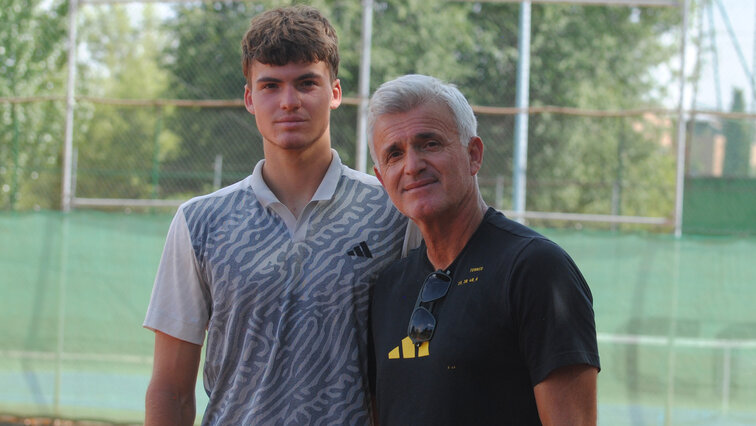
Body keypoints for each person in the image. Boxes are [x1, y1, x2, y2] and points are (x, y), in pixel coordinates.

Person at [143, 6, 416, 425]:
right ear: (250, 98)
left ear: (336, 92)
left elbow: (420, 367)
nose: (289, 102)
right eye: (271, 85)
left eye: (307, 82)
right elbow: (170, 389)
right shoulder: (198, 222)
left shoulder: (395, 211)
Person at [367, 74, 600, 425]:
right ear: (382, 178)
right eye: (395, 154)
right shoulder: (388, 287)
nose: (412, 166)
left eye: (429, 144)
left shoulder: (535, 269)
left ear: (474, 155)